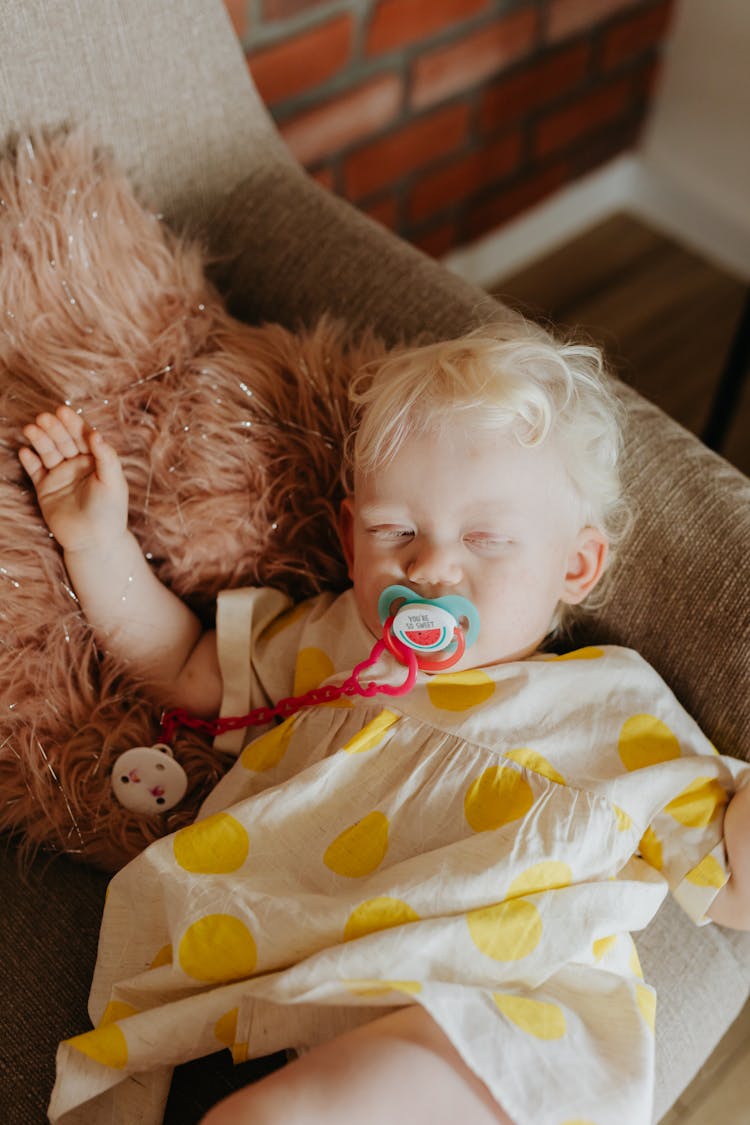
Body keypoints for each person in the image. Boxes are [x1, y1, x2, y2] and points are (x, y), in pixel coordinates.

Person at [21, 322, 750, 1125]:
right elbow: (189, 669)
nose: (430, 567)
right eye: (395, 532)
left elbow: (732, 883)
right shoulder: (332, 641)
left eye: (485, 539)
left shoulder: (611, 704)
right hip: (309, 965)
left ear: (573, 565)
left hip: (496, 1010)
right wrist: (94, 542)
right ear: (348, 538)